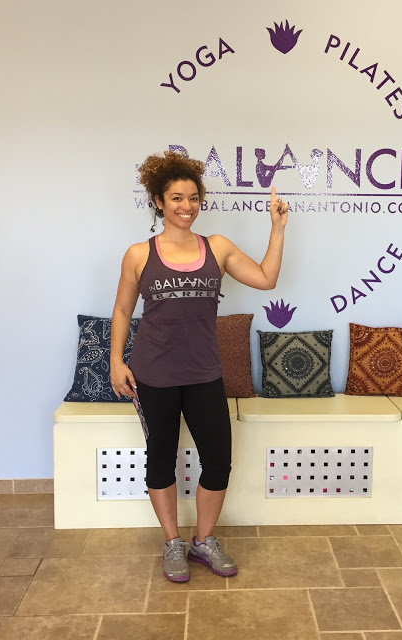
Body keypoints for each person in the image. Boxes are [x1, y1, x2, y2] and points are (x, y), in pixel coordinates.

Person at [109, 150, 288, 582]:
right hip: (154, 374)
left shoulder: (217, 247)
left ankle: (203, 540)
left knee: (218, 460)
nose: (186, 206)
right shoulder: (138, 254)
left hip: (204, 372)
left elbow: (266, 279)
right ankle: (172, 543)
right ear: (159, 201)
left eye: (193, 197)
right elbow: (122, 310)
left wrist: (278, 228)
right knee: (160, 459)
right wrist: (116, 360)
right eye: (176, 198)